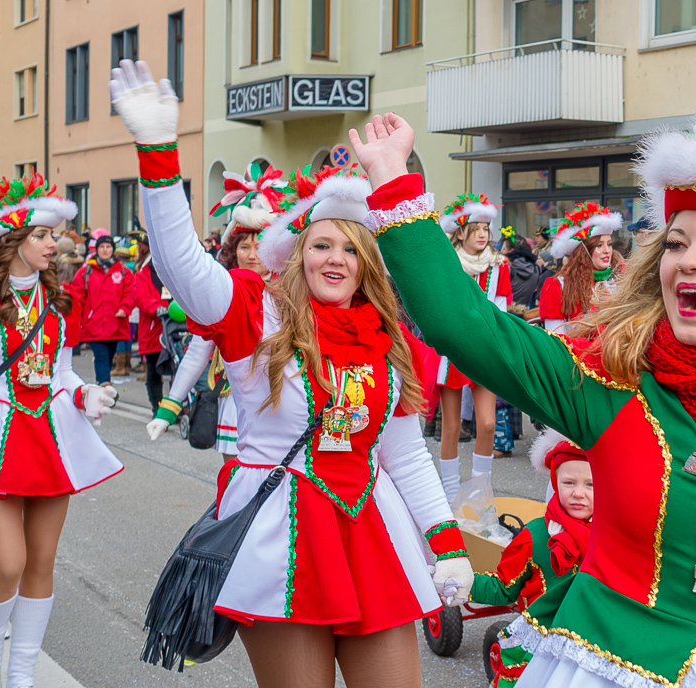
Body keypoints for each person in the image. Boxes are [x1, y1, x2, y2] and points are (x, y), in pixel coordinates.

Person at [352, 108, 696, 687]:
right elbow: (464, 323)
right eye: (676, 243)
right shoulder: (612, 381)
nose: (689, 260)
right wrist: (392, 178)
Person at [110, 59, 473, 688]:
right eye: (321, 244)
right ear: (296, 251)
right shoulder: (258, 314)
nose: (336, 259)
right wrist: (158, 154)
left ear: (369, 263)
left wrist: (447, 544)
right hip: (280, 532)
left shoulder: (390, 339)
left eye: (351, 249)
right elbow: (180, 265)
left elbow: (404, 453)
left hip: (370, 530)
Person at [0, 175, 122, 688]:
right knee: (8, 563)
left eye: (54, 235)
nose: (55, 243)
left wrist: (85, 394)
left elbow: (62, 372)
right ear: (12, 240)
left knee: (41, 563)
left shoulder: (60, 298)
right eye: (43, 235)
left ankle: (21, 674)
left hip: (50, 434)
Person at [148, 162, 287, 456]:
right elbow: (198, 351)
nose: (252, 255)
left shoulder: (293, 291)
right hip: (235, 401)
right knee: (236, 477)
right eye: (244, 247)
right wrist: (170, 407)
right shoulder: (225, 295)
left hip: (286, 403)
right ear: (232, 251)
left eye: (260, 246)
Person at [471, 431, 593, 687]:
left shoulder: (615, 537)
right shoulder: (536, 535)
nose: (579, 493)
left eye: (590, 485)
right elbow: (504, 587)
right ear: (554, 482)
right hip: (542, 651)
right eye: (569, 482)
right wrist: (463, 582)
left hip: (594, 652)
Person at [433, 193, 510, 503]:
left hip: (484, 349)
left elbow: (501, 312)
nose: (482, 234)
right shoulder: (446, 264)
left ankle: (479, 497)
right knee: (451, 427)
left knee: (488, 424)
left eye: (486, 228)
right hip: (452, 350)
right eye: (475, 228)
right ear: (460, 231)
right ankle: (450, 495)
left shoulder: (498, 265)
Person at [539, 203, 623, 335]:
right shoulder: (558, 286)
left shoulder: (619, 280)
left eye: (609, 244)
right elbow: (556, 337)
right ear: (583, 252)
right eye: (599, 245)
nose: (607, 250)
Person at [72, 234, 134, 385]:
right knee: (101, 357)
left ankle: (103, 386)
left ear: (113, 249)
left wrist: (124, 308)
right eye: (102, 247)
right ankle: (104, 384)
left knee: (109, 356)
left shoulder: (123, 272)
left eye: (108, 247)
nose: (105, 250)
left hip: (115, 322)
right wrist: (75, 318)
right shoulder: (86, 271)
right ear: (97, 249)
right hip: (93, 323)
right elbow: (77, 296)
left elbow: (131, 293)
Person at [130, 229, 171, 413]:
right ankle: (157, 407)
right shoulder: (143, 274)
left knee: (178, 373)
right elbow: (140, 297)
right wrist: (157, 307)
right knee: (154, 372)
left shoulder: (173, 274)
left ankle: (176, 408)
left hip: (174, 329)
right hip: (153, 330)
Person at [500, 226, 541, 309]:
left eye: (503, 249)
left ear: (511, 250)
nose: (501, 251)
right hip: (523, 311)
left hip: (505, 311)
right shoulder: (535, 269)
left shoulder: (508, 268)